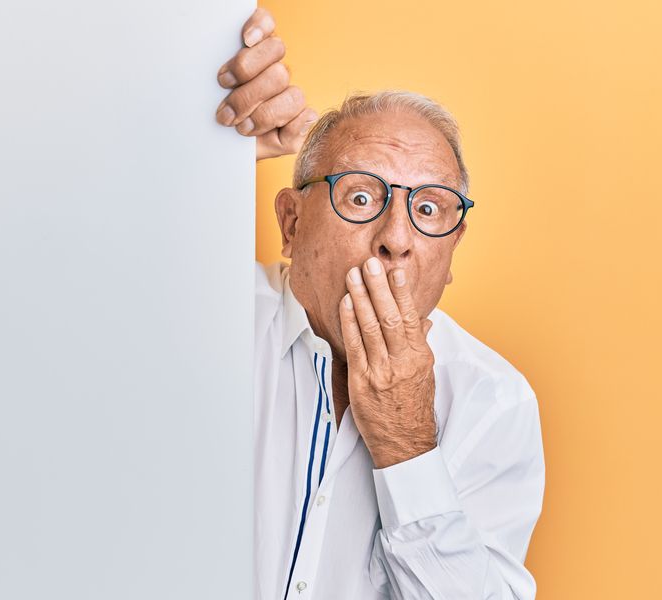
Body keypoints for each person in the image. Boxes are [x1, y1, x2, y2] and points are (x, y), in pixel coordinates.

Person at [216, 8, 546, 600]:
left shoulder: (493, 401)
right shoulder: (214, 320)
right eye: (362, 196)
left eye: (428, 209)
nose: (396, 237)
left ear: (452, 250)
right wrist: (195, 141)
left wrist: (406, 445)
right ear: (291, 224)